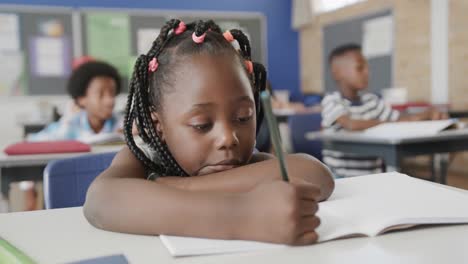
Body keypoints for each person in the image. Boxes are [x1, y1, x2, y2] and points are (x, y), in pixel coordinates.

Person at [84, 19, 334, 245]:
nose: (228, 137)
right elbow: (100, 201)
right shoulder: (145, 158)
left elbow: (315, 174)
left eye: (242, 117)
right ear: (159, 127)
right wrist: (243, 216)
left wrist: (178, 187)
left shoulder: (240, 161)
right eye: (202, 124)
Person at [321, 43, 447, 178]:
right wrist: (389, 124)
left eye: (367, 67)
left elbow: (399, 119)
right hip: (339, 178)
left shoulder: (372, 101)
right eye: (360, 68)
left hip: (372, 177)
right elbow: (351, 124)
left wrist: (426, 114)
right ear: (337, 72)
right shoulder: (332, 101)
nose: (367, 72)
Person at [28, 61, 123, 142]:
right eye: (100, 94)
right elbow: (32, 142)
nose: (110, 101)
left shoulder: (124, 125)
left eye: (112, 93)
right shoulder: (68, 127)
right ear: (81, 98)